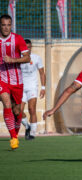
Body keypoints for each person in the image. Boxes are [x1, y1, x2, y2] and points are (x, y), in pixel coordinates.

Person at [0, 14, 30, 149]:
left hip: (17, 80)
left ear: (11, 25)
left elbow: (27, 58)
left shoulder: (17, 39)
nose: (6, 28)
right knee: (6, 102)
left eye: (8, 25)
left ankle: (15, 134)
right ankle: (13, 137)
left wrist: (13, 60)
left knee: (17, 111)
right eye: (3, 25)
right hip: (2, 78)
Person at [20, 39, 46, 140]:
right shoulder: (18, 58)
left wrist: (43, 87)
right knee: (18, 111)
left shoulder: (36, 58)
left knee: (32, 109)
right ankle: (27, 126)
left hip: (32, 87)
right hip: (21, 88)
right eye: (26, 47)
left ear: (31, 47)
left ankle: (32, 133)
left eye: (29, 47)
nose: (28, 49)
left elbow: (42, 73)